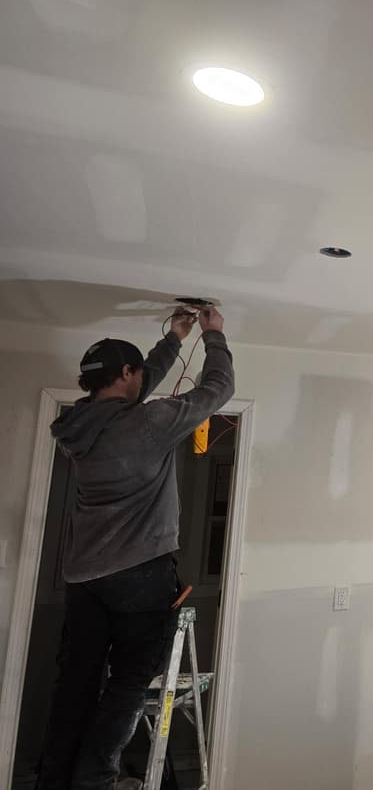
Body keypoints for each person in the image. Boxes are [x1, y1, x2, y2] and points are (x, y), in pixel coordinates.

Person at [38, 306, 235, 790]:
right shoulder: (148, 424)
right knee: (128, 681)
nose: (141, 379)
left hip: (85, 577)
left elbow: (128, 400)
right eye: (137, 373)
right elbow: (217, 392)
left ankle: (57, 778)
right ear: (126, 374)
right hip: (139, 575)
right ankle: (96, 779)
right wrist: (214, 336)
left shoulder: (80, 426)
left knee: (77, 682)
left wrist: (172, 341)